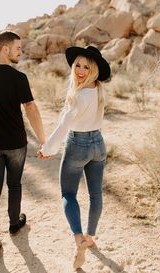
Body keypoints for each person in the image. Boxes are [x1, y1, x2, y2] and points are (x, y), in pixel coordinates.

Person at [0, 31, 45, 263]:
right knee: (14, 185)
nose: (20, 53)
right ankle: (15, 225)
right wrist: (43, 139)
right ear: (5, 49)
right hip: (15, 143)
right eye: (18, 49)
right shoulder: (18, 77)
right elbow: (31, 108)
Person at [38, 45, 111, 270]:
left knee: (68, 193)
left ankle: (79, 237)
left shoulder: (78, 95)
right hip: (98, 143)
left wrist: (48, 149)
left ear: (95, 70)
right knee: (95, 193)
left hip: (77, 144)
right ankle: (90, 236)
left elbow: (64, 125)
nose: (80, 70)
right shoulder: (100, 90)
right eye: (77, 65)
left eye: (86, 67)